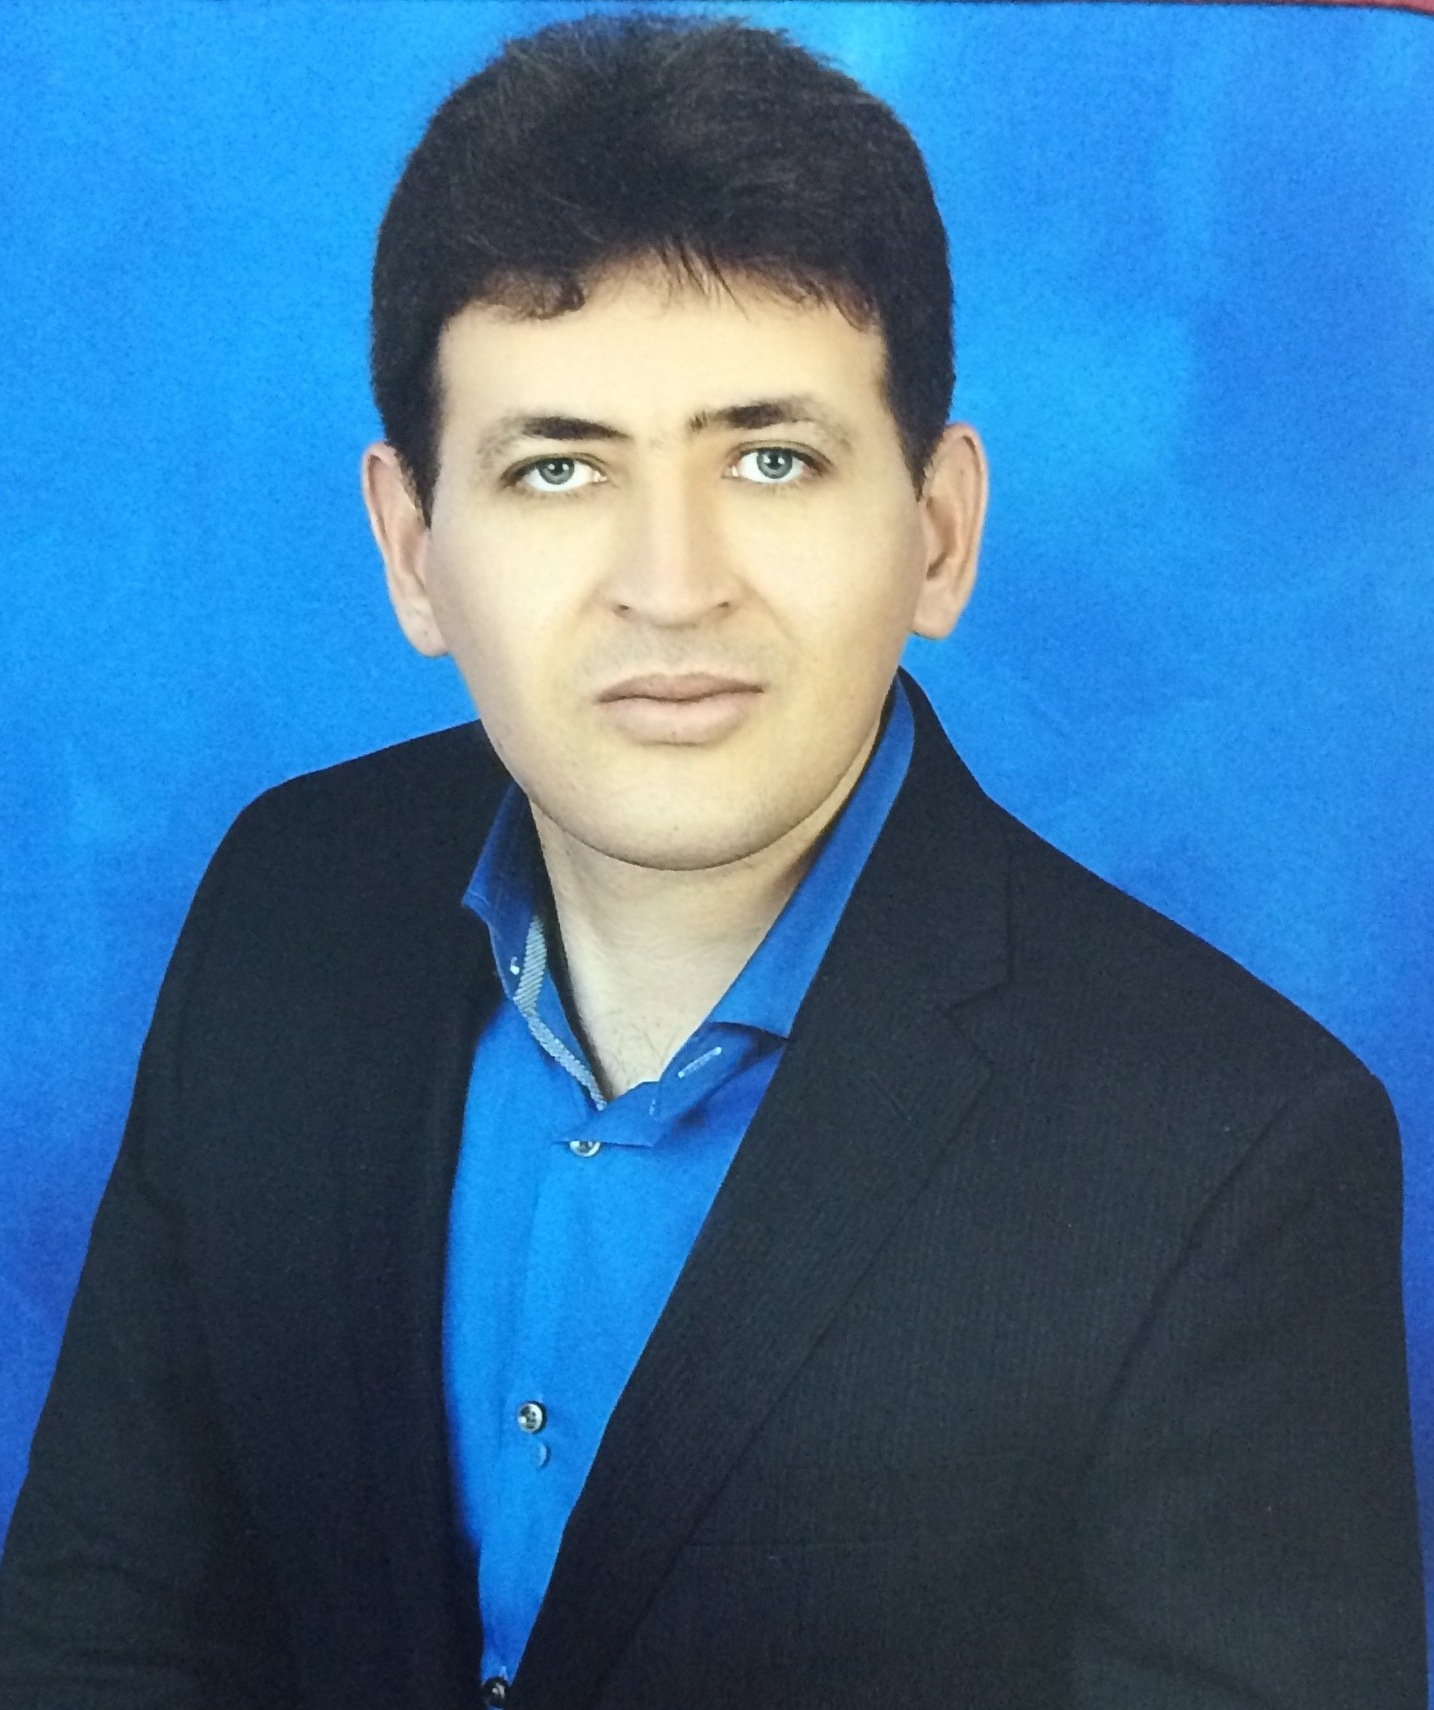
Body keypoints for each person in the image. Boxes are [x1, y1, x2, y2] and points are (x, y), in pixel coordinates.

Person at [0, 13, 1423, 1709]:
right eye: (556, 467)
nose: (670, 586)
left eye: (770, 458)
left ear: (936, 531)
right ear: (413, 549)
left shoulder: (1231, 1158)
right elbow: (106, 1630)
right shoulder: (285, 900)